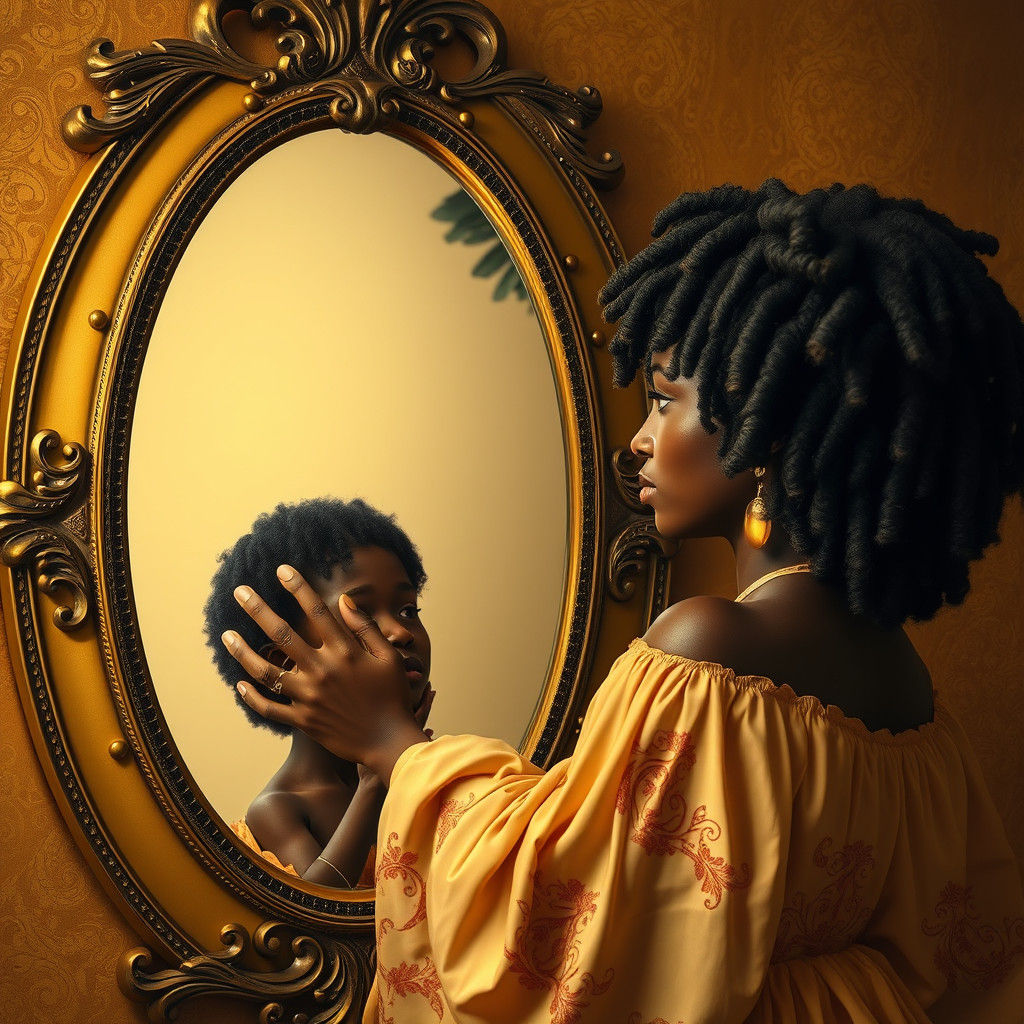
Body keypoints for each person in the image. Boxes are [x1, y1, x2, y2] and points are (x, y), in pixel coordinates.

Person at [223, 181, 1024, 1021]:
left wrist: (392, 743)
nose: (640, 438)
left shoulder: (707, 646)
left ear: (768, 431)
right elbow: (962, 953)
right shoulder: (902, 675)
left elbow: (568, 930)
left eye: (665, 399)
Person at [205, 496, 434, 888]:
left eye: (408, 610)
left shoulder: (435, 770)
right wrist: (372, 783)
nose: (401, 632)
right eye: (360, 612)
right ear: (286, 663)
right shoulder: (278, 806)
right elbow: (319, 904)